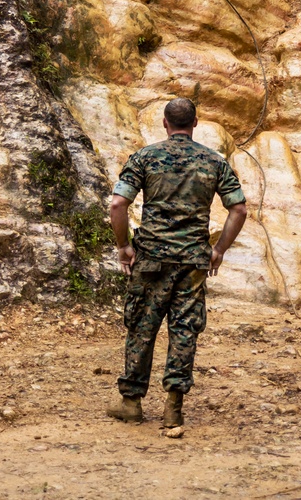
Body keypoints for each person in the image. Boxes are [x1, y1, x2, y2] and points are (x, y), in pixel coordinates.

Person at [106, 97, 248, 430]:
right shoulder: (214, 162)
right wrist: (219, 249)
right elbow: (239, 209)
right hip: (192, 261)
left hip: (151, 258)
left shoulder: (145, 157)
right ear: (195, 123)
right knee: (184, 331)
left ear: (166, 124)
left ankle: (131, 403)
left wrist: (124, 245)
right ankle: (174, 408)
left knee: (142, 327)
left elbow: (117, 204)